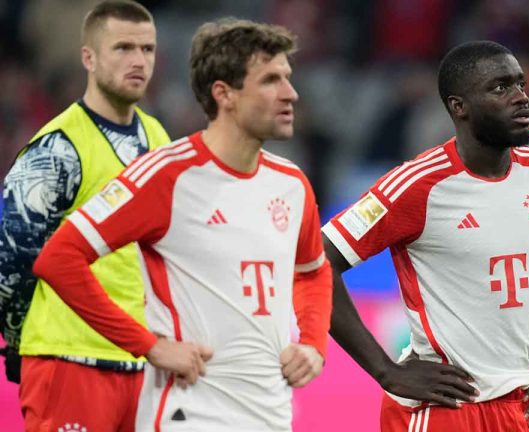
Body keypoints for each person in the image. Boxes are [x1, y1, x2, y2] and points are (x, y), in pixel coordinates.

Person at [32, 18, 332, 431]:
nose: (290, 93)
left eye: (288, 78)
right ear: (223, 94)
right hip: (190, 412)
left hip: (271, 415)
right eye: (270, 80)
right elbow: (59, 259)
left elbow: (313, 272)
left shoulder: (291, 184)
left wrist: (313, 344)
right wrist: (149, 345)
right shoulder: (167, 176)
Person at [324, 40, 529, 431]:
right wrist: (385, 371)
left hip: (521, 402)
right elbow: (315, 261)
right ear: (458, 107)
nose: (520, 97)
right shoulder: (415, 185)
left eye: (519, 83)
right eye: (500, 88)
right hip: (444, 406)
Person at [0, 1, 170, 430]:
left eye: (147, 50)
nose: (139, 61)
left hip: (142, 362)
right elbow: (11, 259)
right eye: (123, 48)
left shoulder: (159, 136)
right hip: (70, 358)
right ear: (88, 58)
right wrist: (20, 340)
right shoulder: (56, 149)